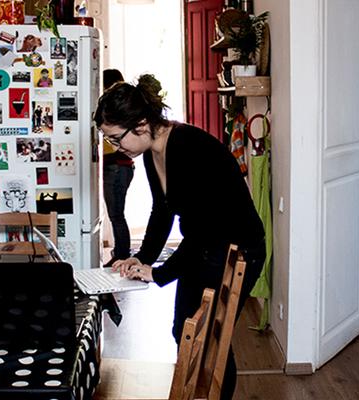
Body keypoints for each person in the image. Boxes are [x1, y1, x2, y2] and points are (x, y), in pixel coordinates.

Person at [97, 75, 265, 400]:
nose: (116, 148)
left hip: (236, 248)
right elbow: (162, 211)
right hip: (207, 245)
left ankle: (214, 395)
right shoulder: (151, 153)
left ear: (142, 125)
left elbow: (204, 230)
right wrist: (142, 258)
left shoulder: (188, 147)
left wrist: (158, 273)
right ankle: (198, 393)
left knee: (213, 341)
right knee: (184, 330)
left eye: (117, 139)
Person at [101, 69, 135, 267]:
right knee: (117, 214)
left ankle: (122, 256)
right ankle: (121, 253)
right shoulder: (122, 109)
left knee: (116, 214)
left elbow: (116, 148)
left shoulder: (119, 111)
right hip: (121, 168)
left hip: (117, 168)